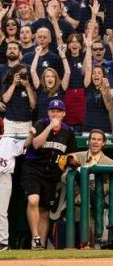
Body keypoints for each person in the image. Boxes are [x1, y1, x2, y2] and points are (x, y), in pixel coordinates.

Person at [21, 99, 77, 250]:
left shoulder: (68, 131)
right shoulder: (41, 124)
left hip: (51, 173)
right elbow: (36, 144)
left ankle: (41, 246)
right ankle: (35, 238)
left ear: (64, 113)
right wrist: (50, 126)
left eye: (58, 111)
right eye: (52, 111)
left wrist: (69, 163)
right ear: (48, 112)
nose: (55, 114)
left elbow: (71, 154)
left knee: (45, 210)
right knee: (33, 201)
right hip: (33, 169)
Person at [0, 121, 33, 251]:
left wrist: (31, 135)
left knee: (1, 211)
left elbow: (24, 144)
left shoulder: (8, 142)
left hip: (3, 178)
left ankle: (2, 242)